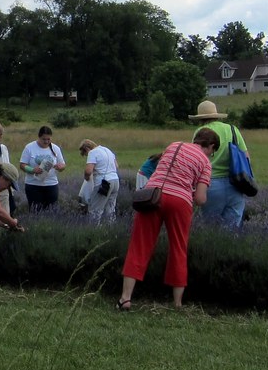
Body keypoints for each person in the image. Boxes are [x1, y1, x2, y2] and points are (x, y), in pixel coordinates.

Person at [118, 127, 219, 310]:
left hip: (153, 195)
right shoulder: (205, 162)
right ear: (211, 146)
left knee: (139, 245)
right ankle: (177, 303)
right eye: (213, 151)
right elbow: (200, 199)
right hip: (180, 202)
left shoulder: (174, 146)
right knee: (178, 248)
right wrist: (191, 189)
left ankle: (125, 298)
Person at [190, 100, 252, 227]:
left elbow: (195, 158)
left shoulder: (200, 132)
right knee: (233, 228)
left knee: (211, 227)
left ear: (200, 118)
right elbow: (246, 157)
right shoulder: (232, 129)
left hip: (209, 185)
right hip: (236, 183)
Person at [19, 125, 66, 211]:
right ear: (39, 137)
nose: (46, 141)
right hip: (33, 185)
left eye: (48, 139)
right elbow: (22, 165)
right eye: (44, 139)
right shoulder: (29, 147)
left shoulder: (55, 148)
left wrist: (60, 167)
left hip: (51, 184)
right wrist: (32, 170)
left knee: (52, 211)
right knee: (35, 211)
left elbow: (63, 164)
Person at [80, 138, 120, 224]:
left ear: (87, 149)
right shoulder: (107, 150)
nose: (87, 155)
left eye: (85, 154)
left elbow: (88, 171)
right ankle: (111, 229)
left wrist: (87, 178)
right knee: (110, 209)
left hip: (103, 184)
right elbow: (116, 166)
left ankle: (94, 232)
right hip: (115, 181)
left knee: (95, 210)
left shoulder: (93, 152)